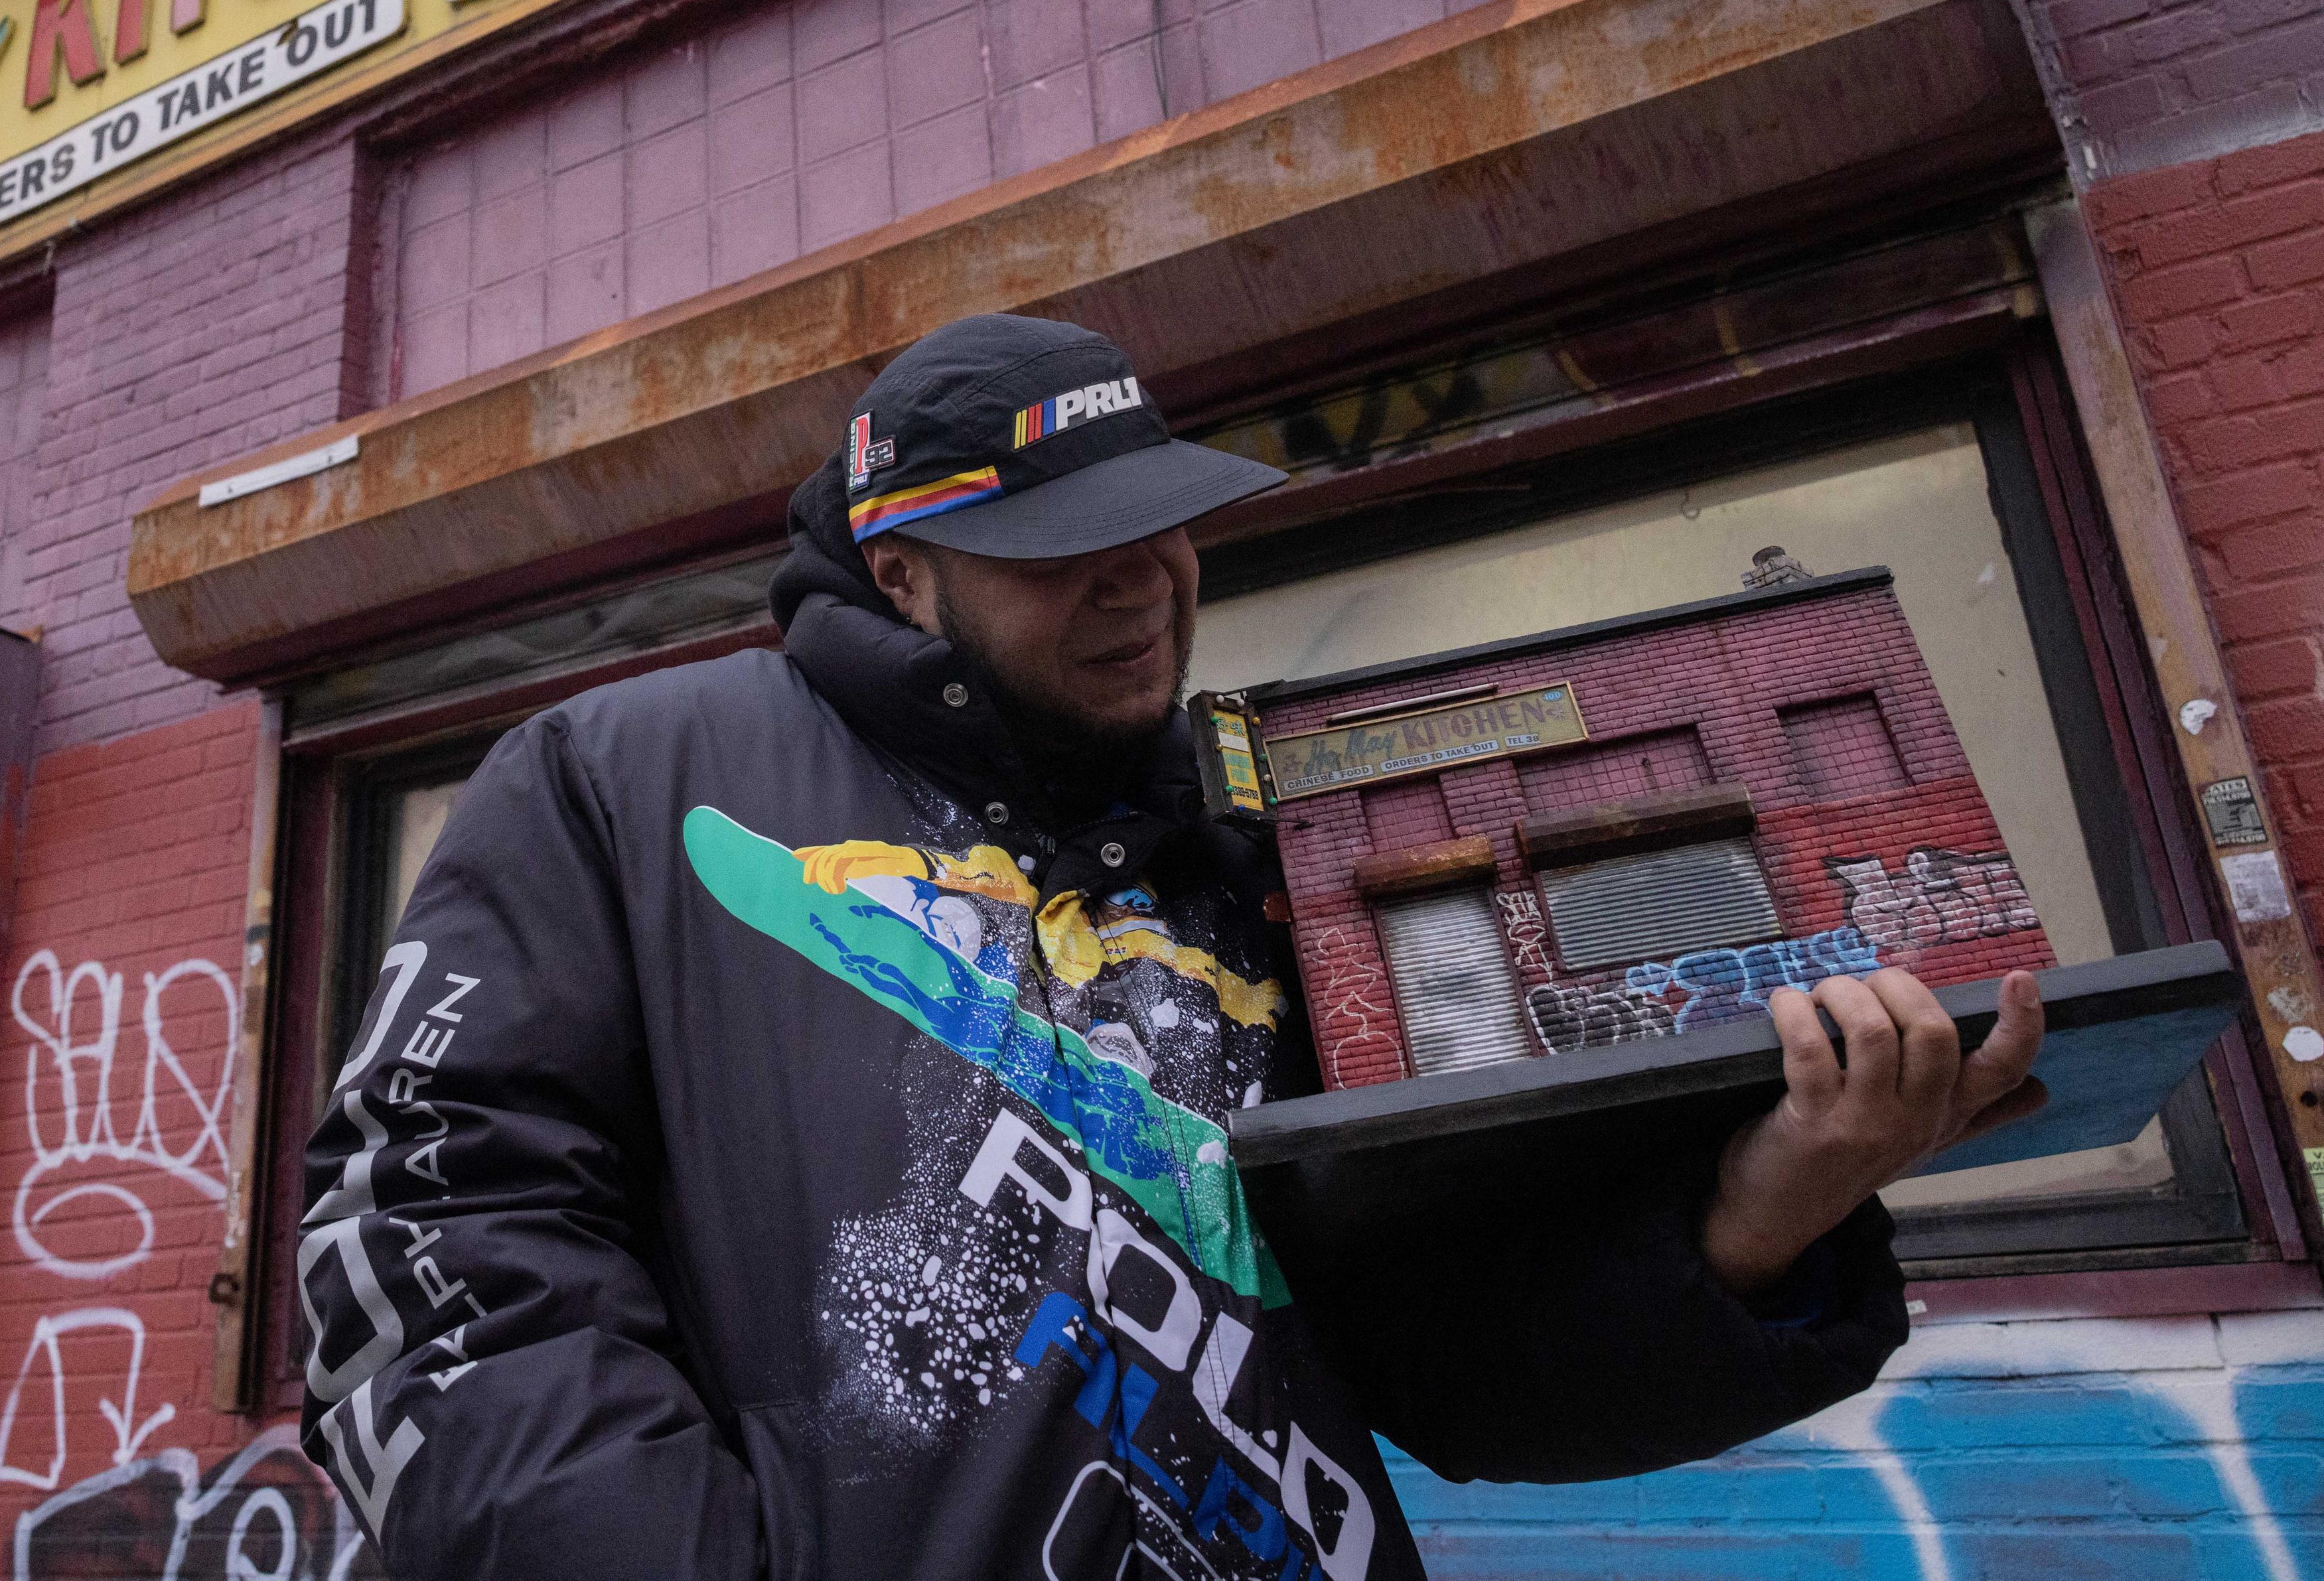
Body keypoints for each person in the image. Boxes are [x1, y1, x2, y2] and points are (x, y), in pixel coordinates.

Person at [297, 312, 2043, 1581]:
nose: (1142, 580)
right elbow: (429, 1216)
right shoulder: (634, 783)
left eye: (1161, 525)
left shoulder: (1256, 857)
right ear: (904, 575)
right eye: (1065, 549)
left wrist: (1754, 1218)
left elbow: (1429, 1350)